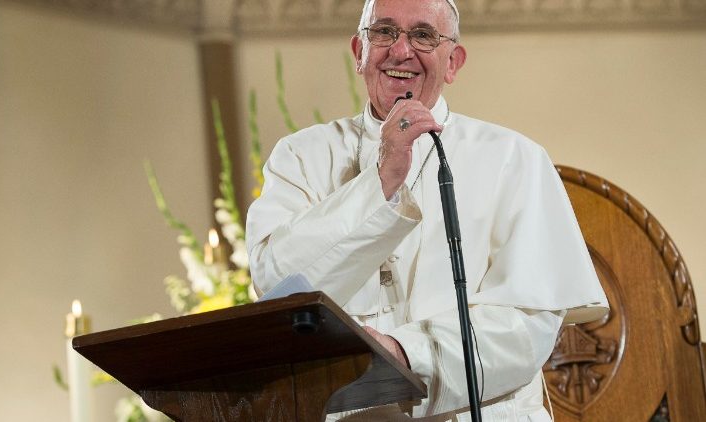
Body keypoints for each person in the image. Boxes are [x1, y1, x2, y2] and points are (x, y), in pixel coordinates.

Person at [246, 0, 609, 420]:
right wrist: (380, 181)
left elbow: (528, 324)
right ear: (358, 52)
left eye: (423, 35)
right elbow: (280, 288)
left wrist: (405, 352)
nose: (400, 51)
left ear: (453, 62)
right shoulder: (301, 156)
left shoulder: (515, 158)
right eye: (383, 32)